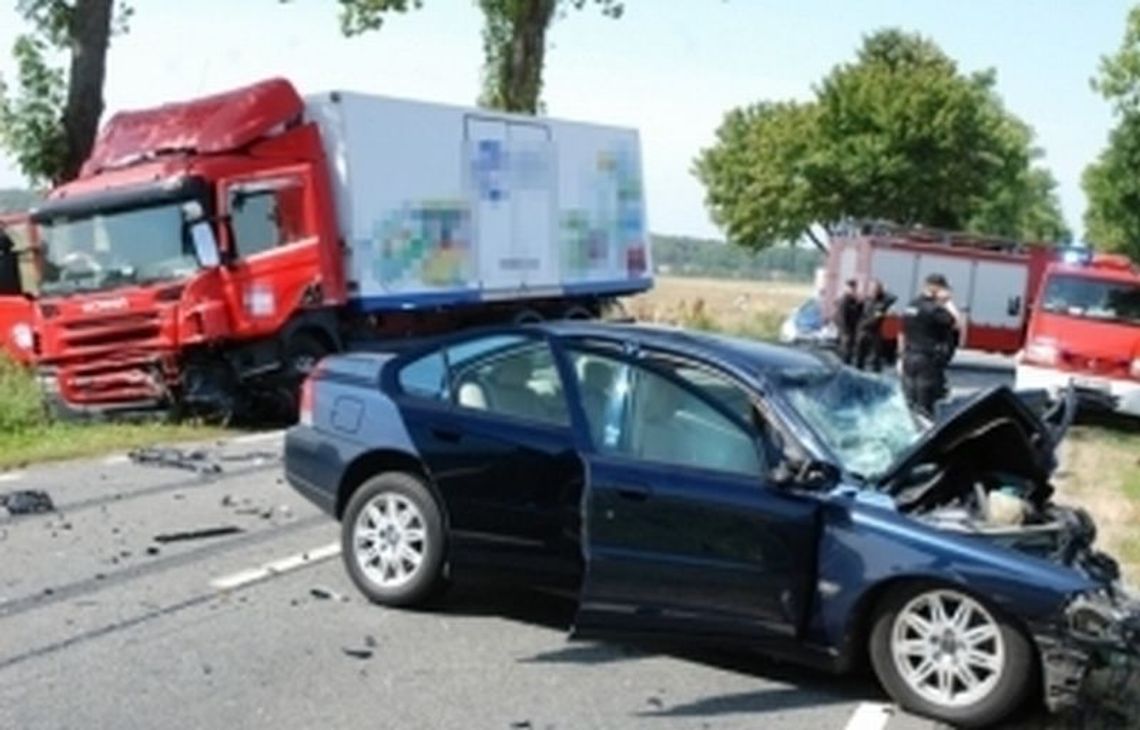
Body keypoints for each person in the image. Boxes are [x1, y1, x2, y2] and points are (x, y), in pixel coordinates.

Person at [899, 273, 962, 418]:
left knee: (910, 402)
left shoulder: (911, 305)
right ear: (936, 288)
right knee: (927, 404)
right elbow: (956, 323)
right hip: (927, 361)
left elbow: (902, 332)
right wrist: (947, 302)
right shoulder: (934, 309)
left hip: (909, 358)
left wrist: (901, 355)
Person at [855, 279, 896, 372]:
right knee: (859, 356)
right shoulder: (866, 301)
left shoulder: (883, 301)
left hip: (875, 332)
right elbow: (856, 313)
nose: (874, 291)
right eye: (872, 289)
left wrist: (885, 291)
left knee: (875, 357)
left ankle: (875, 374)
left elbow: (893, 298)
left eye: (876, 289)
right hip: (863, 331)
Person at [834, 279, 862, 364]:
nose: (853, 290)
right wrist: (845, 332)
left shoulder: (853, 300)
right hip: (846, 331)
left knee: (849, 352)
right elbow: (841, 318)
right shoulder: (844, 300)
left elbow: (858, 313)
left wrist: (858, 303)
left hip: (851, 330)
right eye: (851, 288)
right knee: (845, 352)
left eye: (854, 288)